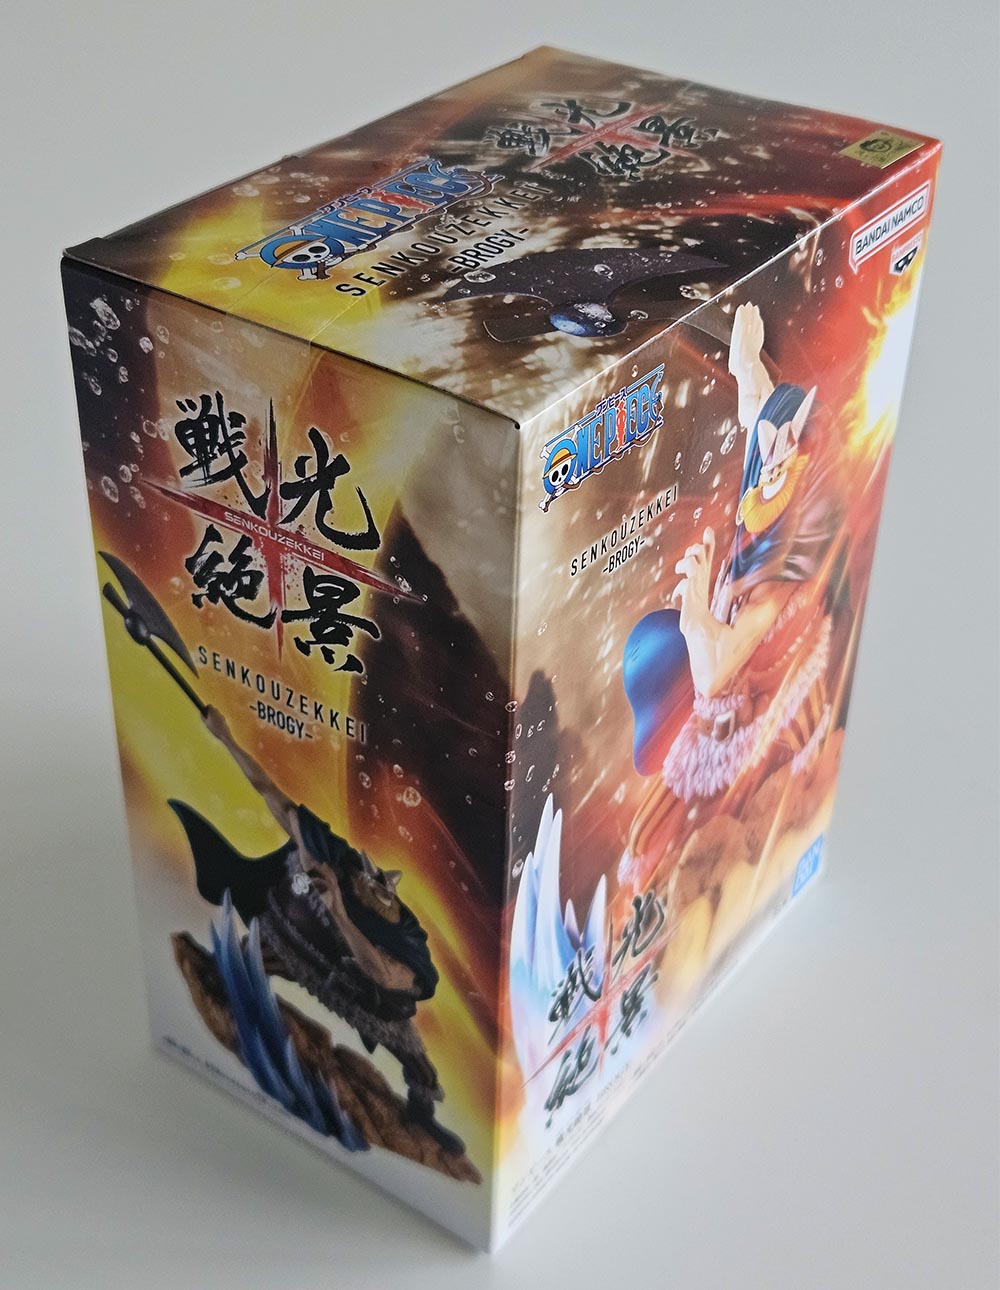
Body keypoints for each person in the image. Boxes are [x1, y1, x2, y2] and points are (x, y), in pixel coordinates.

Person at [170, 705, 464, 1155]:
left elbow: (384, 976)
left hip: (365, 996)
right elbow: (268, 791)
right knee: (245, 960)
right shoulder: (332, 858)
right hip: (293, 942)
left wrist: (340, 912)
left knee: (419, 1066)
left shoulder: (402, 939)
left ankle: (421, 1117)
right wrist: (225, 736)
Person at [624, 303, 842, 908]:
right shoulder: (766, 515)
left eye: (782, 459)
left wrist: (697, 615)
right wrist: (748, 369)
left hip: (758, 729)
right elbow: (761, 429)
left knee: (671, 841)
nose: (768, 464)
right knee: (651, 836)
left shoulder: (775, 578)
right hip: (724, 710)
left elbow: (716, 673)